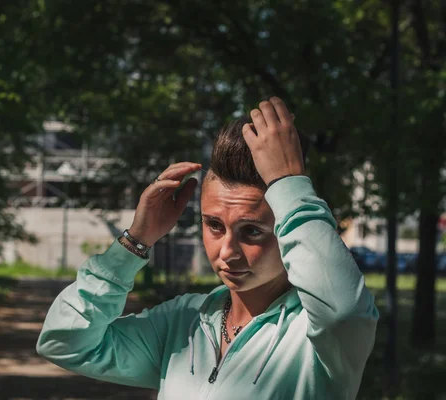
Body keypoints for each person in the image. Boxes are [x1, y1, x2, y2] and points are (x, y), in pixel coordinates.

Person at [36, 97, 378, 399]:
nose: (227, 251)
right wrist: (135, 241)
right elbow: (66, 342)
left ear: (286, 229)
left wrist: (289, 186)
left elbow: (343, 312)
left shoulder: (318, 338)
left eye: (252, 232)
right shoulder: (183, 323)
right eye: (214, 225)